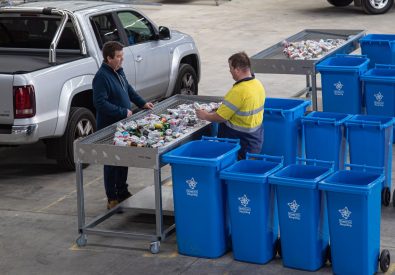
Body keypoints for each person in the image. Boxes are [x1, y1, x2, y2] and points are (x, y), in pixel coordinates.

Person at [93, 41, 154, 210]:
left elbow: (128, 89)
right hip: (109, 128)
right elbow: (100, 103)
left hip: (123, 126)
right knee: (111, 162)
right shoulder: (101, 77)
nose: (122, 60)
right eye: (118, 57)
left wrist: (142, 103)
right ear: (108, 58)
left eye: (122, 56)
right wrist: (122, 111)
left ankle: (122, 191)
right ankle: (112, 198)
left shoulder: (118, 71)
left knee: (123, 159)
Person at [196, 51, 265, 160]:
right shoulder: (257, 84)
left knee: (235, 172)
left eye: (231, 68)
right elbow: (243, 107)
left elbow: (221, 117)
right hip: (255, 140)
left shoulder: (238, 91)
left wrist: (205, 115)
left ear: (237, 70)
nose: (230, 71)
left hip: (240, 143)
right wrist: (221, 108)